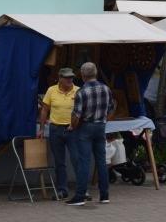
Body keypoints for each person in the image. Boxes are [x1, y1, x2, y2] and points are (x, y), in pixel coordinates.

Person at [67, 62, 115, 206]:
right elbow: (112, 107)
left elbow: (76, 115)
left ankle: (80, 196)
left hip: (86, 127)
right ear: (95, 73)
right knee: (101, 161)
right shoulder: (106, 89)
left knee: (84, 161)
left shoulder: (81, 92)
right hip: (101, 126)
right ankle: (104, 195)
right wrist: (105, 119)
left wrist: (73, 126)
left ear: (82, 75)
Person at [37, 67, 79, 199]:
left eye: (71, 77)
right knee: (59, 162)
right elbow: (44, 110)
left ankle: (82, 190)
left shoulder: (78, 91)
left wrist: (76, 124)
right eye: (66, 78)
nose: (69, 80)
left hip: (73, 129)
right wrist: (42, 128)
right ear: (60, 79)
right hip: (56, 129)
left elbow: (82, 111)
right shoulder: (51, 90)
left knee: (77, 159)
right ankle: (62, 190)